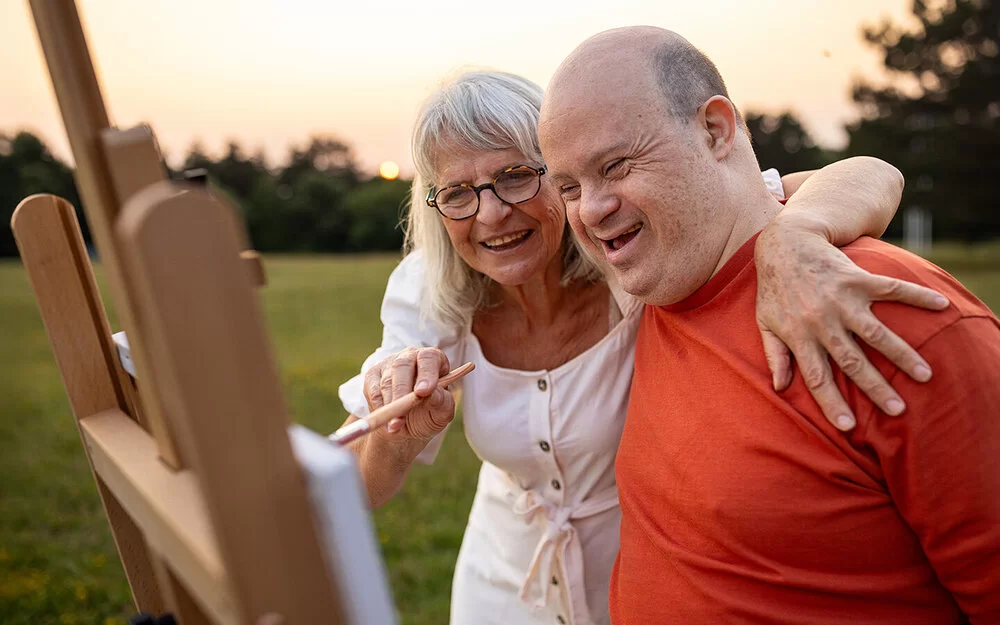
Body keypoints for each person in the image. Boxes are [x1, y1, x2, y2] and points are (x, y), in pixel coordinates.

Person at [336, 72, 947, 625]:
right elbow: (355, 490)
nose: (492, 214)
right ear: (435, 205)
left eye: (516, 176)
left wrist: (795, 234)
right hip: (500, 590)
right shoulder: (430, 290)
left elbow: (869, 173)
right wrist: (403, 432)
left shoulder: (630, 250)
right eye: (459, 193)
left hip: (638, 581)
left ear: (558, 170)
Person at [537, 26, 1000, 624]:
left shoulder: (886, 311)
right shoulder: (653, 286)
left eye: (617, 165)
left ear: (715, 131)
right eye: (569, 186)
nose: (592, 210)